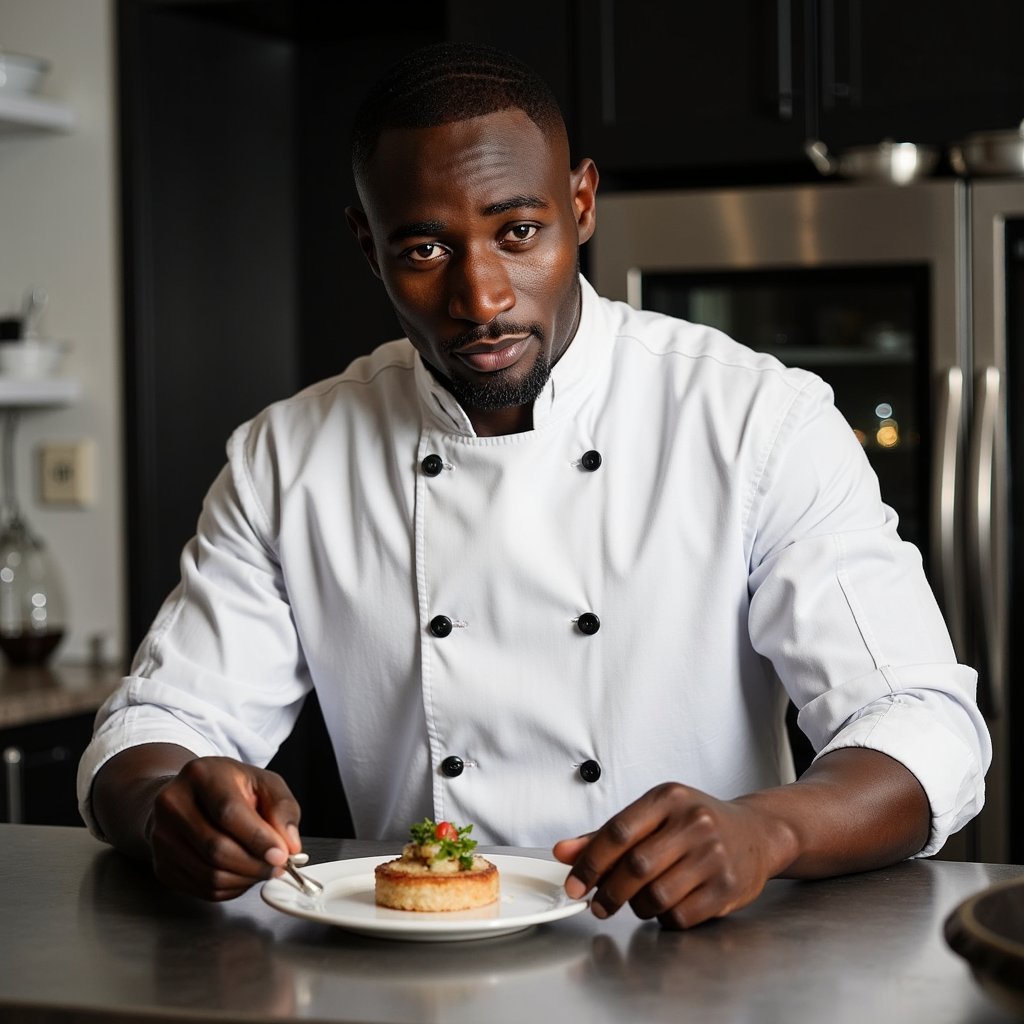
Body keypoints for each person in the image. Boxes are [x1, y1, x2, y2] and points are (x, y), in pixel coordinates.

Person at [78, 41, 990, 929]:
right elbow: (160, 723)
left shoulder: (754, 418)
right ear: (367, 243)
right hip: (411, 980)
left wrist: (771, 828)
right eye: (426, 250)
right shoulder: (291, 457)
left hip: (698, 971)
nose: (482, 297)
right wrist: (171, 809)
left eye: (519, 233)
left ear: (581, 203)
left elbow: (920, 723)